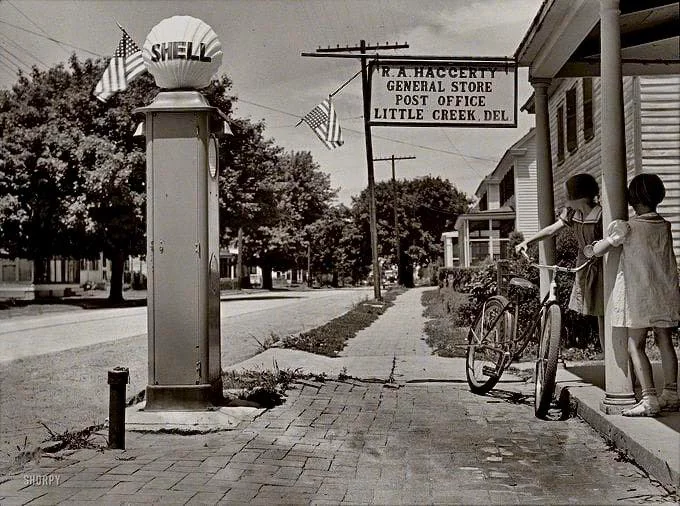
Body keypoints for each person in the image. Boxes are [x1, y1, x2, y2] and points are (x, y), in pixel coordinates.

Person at [584, 173, 680, 416]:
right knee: (665, 342)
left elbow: (602, 248)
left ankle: (649, 398)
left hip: (640, 295)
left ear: (632, 199)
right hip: (665, 291)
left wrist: (591, 249)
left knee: (634, 345)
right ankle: (671, 392)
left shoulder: (627, 227)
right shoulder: (664, 225)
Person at [515, 173, 604, 351]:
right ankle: (609, 358)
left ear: (577, 196)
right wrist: (528, 241)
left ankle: (613, 363)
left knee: (604, 315)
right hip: (585, 267)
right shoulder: (573, 213)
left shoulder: (601, 215)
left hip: (602, 269)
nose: (565, 197)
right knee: (599, 315)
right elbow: (553, 229)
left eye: (567, 194)